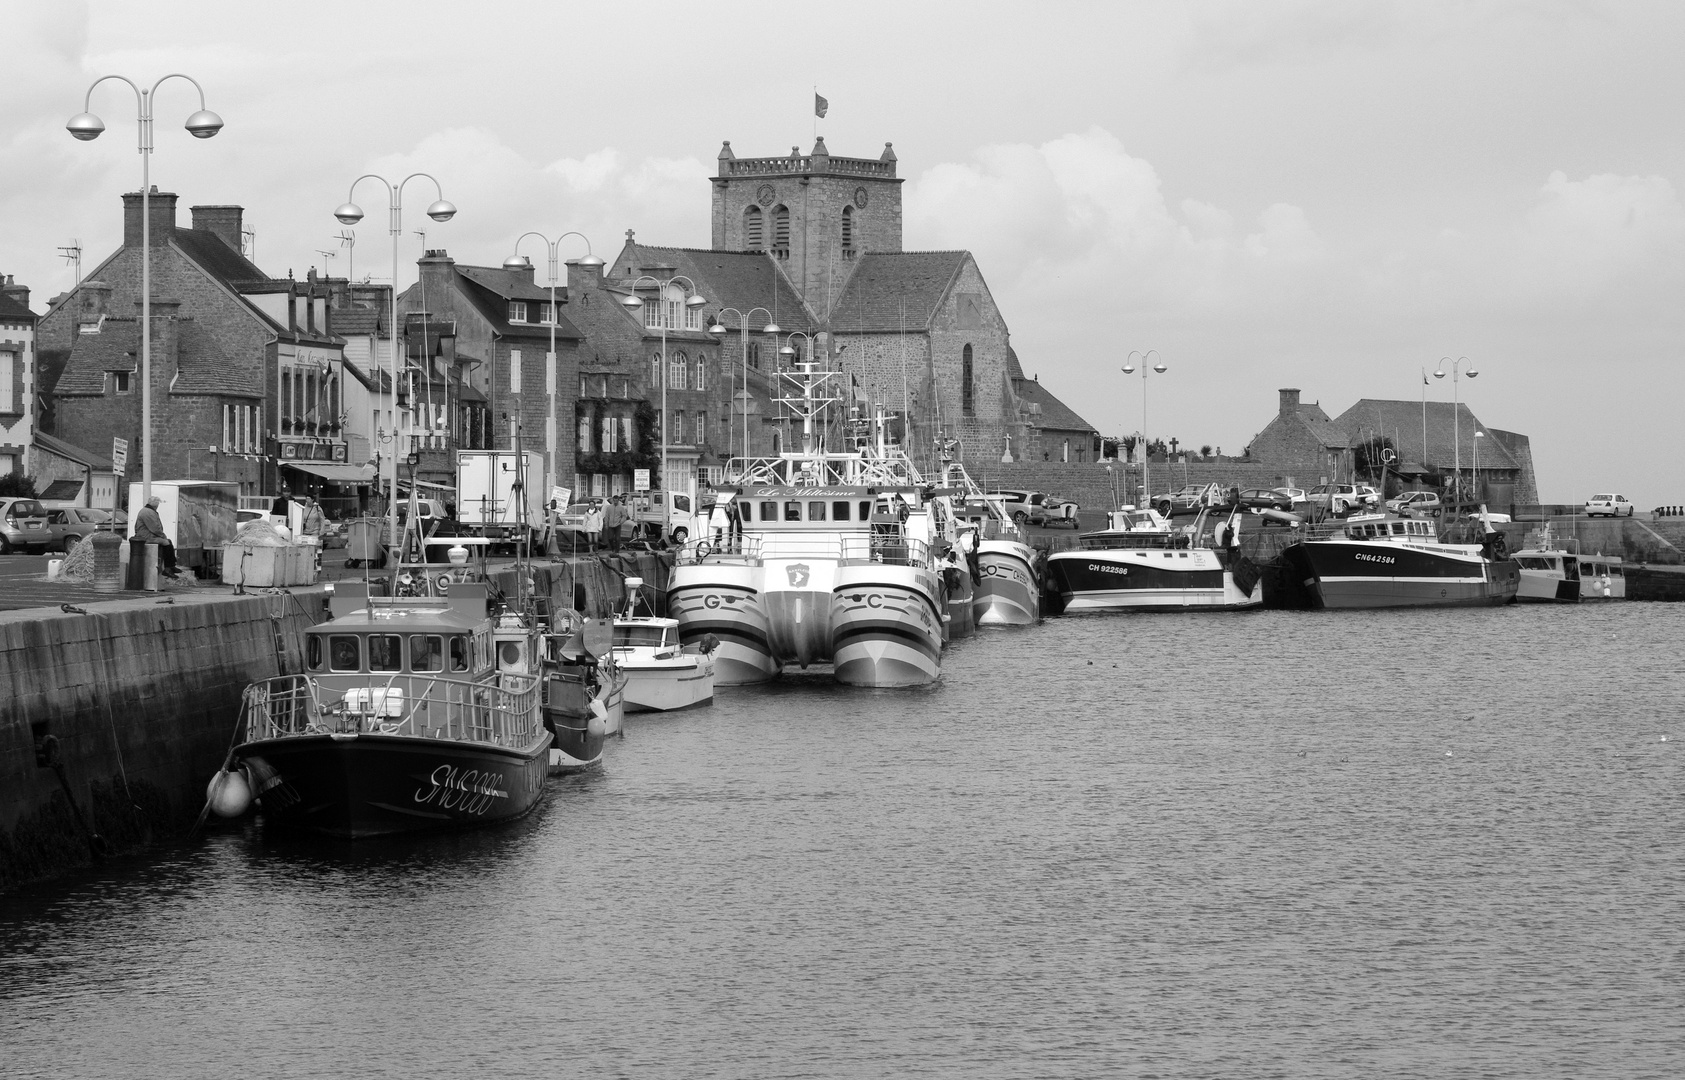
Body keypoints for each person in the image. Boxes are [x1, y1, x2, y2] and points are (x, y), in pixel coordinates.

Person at [133, 495, 180, 577]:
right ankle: (168, 568)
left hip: (146, 535)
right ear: (156, 504)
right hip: (147, 537)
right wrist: (163, 535)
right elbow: (154, 528)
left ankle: (171, 565)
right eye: (158, 503)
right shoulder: (148, 512)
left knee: (168, 542)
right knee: (166, 542)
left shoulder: (147, 511)